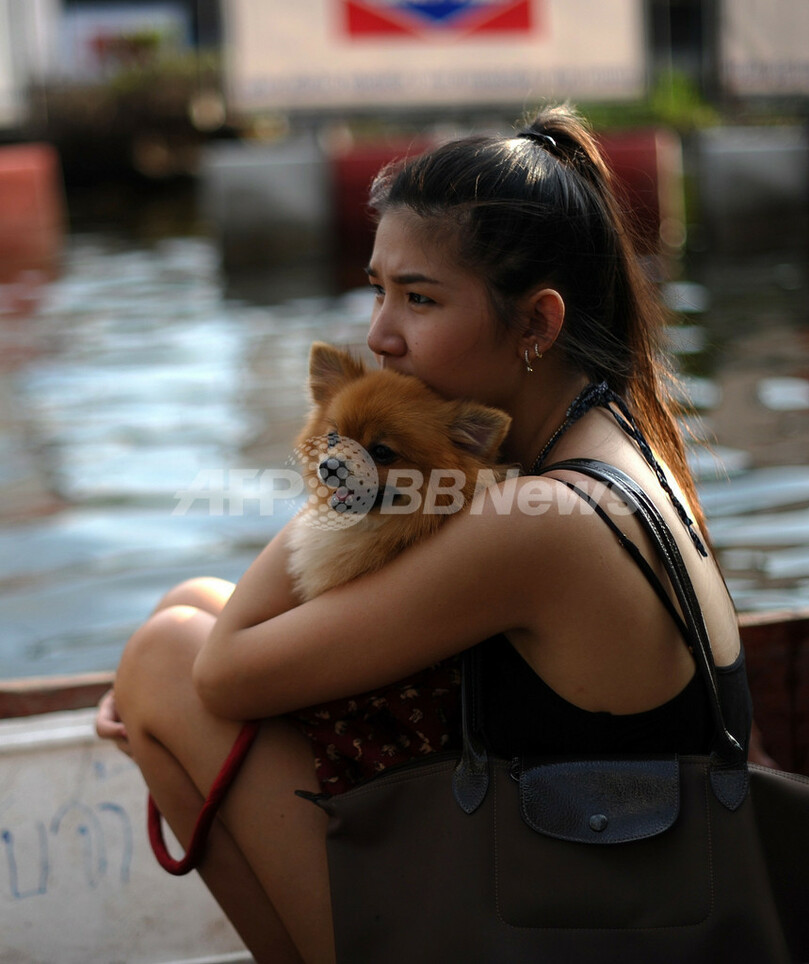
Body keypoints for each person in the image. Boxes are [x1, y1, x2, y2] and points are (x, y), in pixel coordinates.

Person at [96, 105, 752, 964]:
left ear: (537, 326)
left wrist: (352, 442)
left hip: (563, 931)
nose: (380, 335)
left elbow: (222, 675)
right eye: (378, 290)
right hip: (591, 894)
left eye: (420, 298)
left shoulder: (542, 522)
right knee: (192, 605)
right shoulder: (618, 444)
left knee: (167, 661)